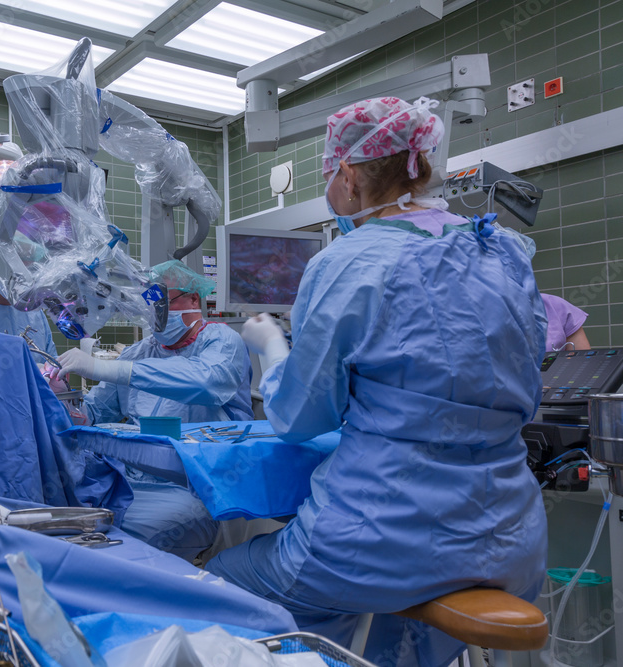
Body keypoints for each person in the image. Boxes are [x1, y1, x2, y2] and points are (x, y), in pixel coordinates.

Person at [206, 97, 548, 667]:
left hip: (381, 540)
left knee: (220, 579)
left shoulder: (350, 261)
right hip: (510, 539)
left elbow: (298, 419)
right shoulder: (504, 252)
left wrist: (270, 345)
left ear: (347, 173)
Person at [53, 259, 253, 560]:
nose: (154, 315)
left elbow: (206, 380)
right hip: (130, 483)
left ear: (193, 299)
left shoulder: (222, 340)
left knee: (125, 552)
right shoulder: (141, 351)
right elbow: (94, 412)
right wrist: (63, 400)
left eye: (162, 304)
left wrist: (108, 369)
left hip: (196, 488)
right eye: (148, 306)